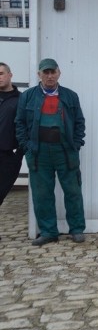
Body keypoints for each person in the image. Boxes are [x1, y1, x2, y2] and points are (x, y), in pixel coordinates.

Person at [15, 58, 86, 245]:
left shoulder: (71, 96)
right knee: (42, 193)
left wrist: (76, 144)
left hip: (65, 151)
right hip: (38, 152)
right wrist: (27, 147)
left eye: (52, 72)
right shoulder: (28, 96)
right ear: (39, 75)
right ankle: (48, 232)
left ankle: (77, 229)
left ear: (59, 73)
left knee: (73, 191)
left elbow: (79, 122)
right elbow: (19, 123)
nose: (49, 76)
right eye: (45, 72)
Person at [0, 63, 25, 240]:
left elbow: (27, 126)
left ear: (10, 75)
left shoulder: (21, 99)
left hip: (9, 155)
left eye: (1, 73)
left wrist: (20, 153)